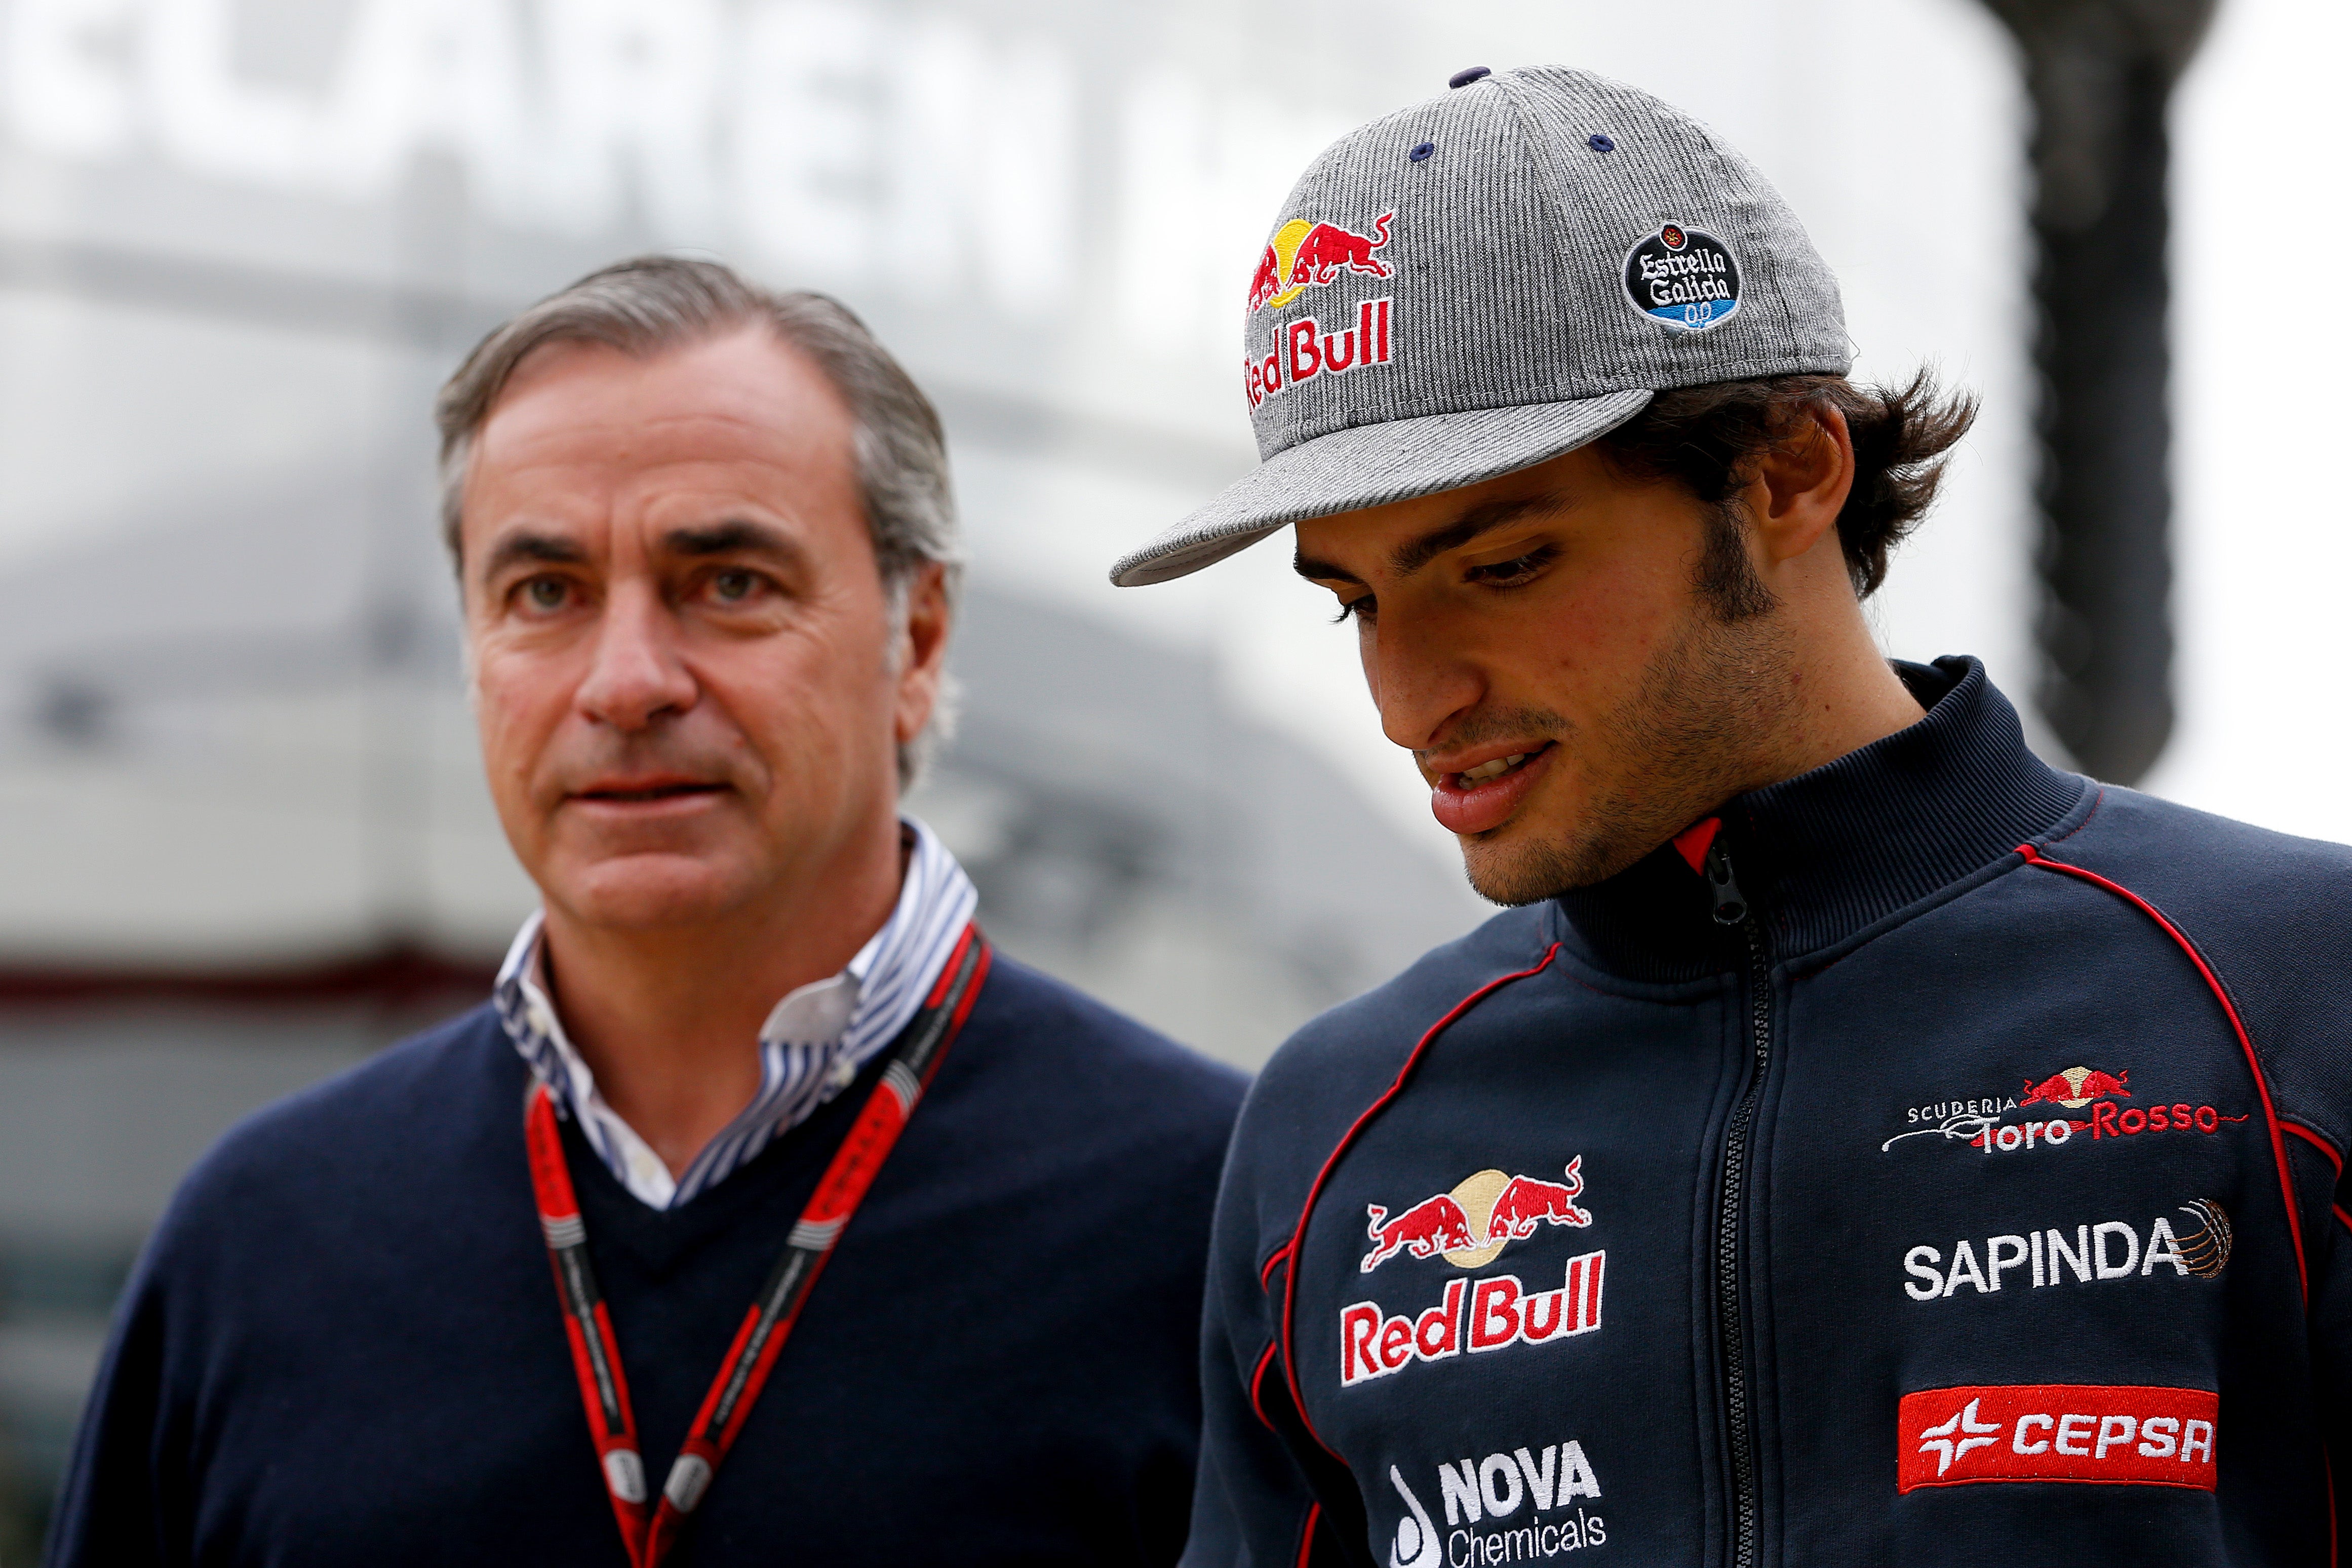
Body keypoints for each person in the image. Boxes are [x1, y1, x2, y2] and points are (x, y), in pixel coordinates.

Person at [1113, 65, 2352, 1567]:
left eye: (1500, 566)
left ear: (1787, 470)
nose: (1408, 700)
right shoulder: (1329, 1134)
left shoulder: (2289, 989)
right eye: (1354, 604)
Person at [51, 257, 1245, 1566]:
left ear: (915, 640)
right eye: (545, 594)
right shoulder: (261, 1243)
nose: (625, 682)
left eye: (727, 581)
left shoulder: (1222, 1217)